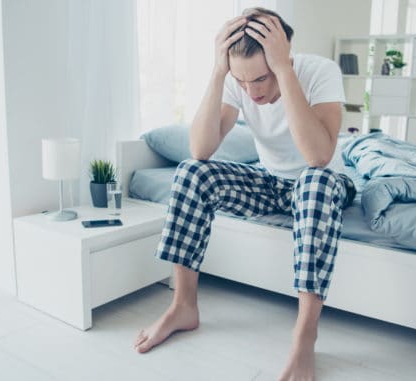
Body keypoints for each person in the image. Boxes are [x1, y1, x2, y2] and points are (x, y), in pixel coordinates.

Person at [134, 7, 355, 380]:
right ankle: (183, 306)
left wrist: (285, 74)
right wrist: (220, 73)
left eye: (262, 79)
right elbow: (201, 150)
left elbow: (319, 155)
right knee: (191, 172)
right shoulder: (238, 82)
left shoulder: (319, 71)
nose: (253, 93)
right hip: (270, 184)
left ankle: (304, 336)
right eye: (243, 80)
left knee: (314, 181)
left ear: (285, 55)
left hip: (324, 184)